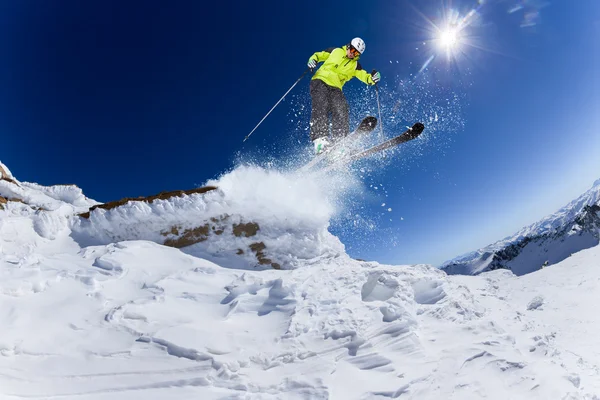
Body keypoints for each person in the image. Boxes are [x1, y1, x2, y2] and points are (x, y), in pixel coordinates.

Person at [307, 37, 381, 154]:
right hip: (320, 80)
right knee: (321, 105)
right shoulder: (335, 51)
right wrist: (313, 60)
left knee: (342, 109)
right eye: (352, 50)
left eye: (356, 53)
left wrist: (372, 79)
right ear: (348, 46)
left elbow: (364, 76)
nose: (353, 53)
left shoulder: (355, 65)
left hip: (336, 87)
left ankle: (339, 143)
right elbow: (318, 55)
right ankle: (320, 140)